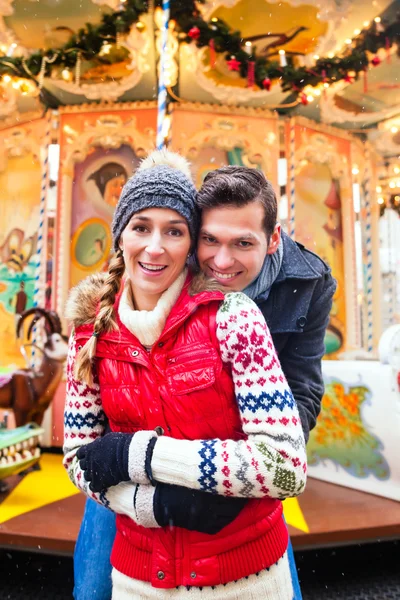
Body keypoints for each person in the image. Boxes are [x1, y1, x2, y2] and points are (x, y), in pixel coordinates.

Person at [71, 163, 336, 600]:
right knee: (95, 581)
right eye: (209, 240)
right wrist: (147, 484)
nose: (221, 259)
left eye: (242, 243)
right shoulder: (162, 264)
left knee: (271, 563)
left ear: (273, 240)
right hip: (139, 455)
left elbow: (301, 389)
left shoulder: (306, 283)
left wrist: (243, 476)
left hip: (240, 453)